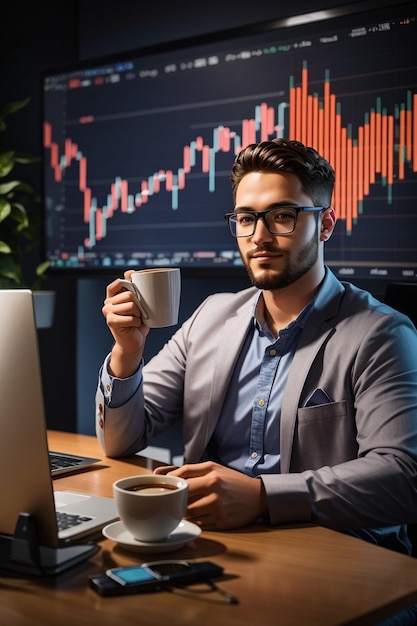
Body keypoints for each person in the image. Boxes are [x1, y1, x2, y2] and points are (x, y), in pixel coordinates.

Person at [96, 138, 417, 621]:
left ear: (326, 223)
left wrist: (263, 496)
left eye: (282, 215)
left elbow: (403, 477)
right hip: (214, 548)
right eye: (245, 218)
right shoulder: (211, 317)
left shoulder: (381, 333)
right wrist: (127, 352)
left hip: (336, 558)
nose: (260, 236)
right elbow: (121, 441)